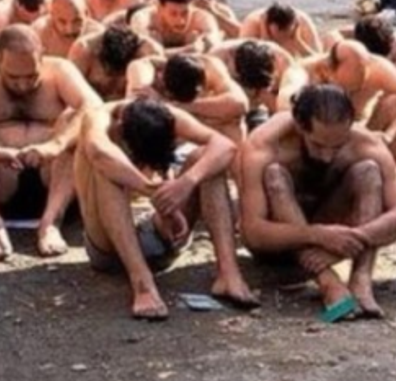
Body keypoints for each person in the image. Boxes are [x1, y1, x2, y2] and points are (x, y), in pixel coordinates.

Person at [240, 85, 396, 322]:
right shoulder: (264, 145)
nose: (327, 156)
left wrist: (353, 238)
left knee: (368, 171)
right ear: (300, 126)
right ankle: (329, 284)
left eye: (337, 146)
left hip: (336, 237)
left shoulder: (366, 143)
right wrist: (316, 235)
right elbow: (253, 232)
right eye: (318, 145)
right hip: (279, 244)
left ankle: (361, 281)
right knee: (274, 175)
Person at [76, 98, 259, 320]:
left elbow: (225, 146)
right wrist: (154, 193)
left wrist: (187, 182)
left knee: (208, 160)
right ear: (121, 128)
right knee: (104, 169)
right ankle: (142, 284)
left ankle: (229, 274)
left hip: (160, 231)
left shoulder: (168, 116)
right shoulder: (99, 117)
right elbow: (99, 152)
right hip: (107, 243)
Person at [0, 26, 103, 261]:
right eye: (13, 77)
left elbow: (93, 105)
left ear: (41, 58)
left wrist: (55, 144)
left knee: (76, 121)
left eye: (31, 76)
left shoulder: (60, 70)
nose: (23, 85)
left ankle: (51, 223)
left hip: (53, 178)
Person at [279, 40, 396, 228]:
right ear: (327, 71)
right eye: (348, 88)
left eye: (358, 86)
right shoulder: (301, 73)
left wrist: (390, 135)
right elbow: (285, 108)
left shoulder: (378, 67)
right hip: (317, 146)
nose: (353, 93)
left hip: (357, 142)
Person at [126, 54, 249, 145]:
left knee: (233, 122)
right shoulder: (143, 73)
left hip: (197, 140)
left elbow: (240, 104)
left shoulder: (210, 67)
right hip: (158, 142)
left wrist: (172, 105)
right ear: (161, 78)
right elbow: (136, 119)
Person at [129, 0, 223, 54]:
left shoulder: (202, 18)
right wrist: (188, 50)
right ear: (160, 7)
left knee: (196, 37)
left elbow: (214, 46)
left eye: (185, 13)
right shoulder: (143, 19)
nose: (180, 21)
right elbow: (140, 51)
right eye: (173, 13)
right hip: (156, 64)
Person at [69, 26, 163, 102]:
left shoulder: (150, 52)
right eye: (109, 70)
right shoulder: (83, 50)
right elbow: (70, 95)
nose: (112, 74)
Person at [33, 0, 105, 58]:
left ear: (86, 14)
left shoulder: (99, 36)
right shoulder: (39, 34)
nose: (70, 30)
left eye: (77, 21)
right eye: (62, 22)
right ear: (52, 15)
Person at [240, 3, 322, 59]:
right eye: (278, 34)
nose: (281, 40)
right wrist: (265, 37)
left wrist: (298, 42)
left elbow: (317, 59)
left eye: (285, 34)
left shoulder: (303, 23)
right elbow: (244, 61)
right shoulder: (252, 24)